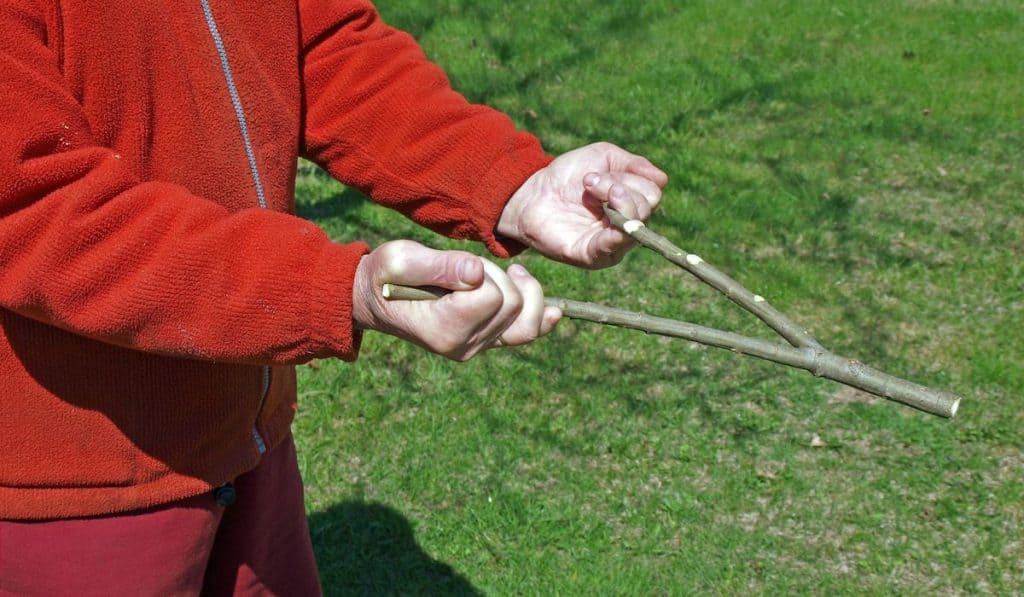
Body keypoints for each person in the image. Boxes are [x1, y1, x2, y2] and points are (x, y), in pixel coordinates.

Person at [0, 0, 666, 594]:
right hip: (78, 491)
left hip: (248, 430)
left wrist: (510, 181)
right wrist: (329, 289)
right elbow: (35, 209)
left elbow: (322, 47)